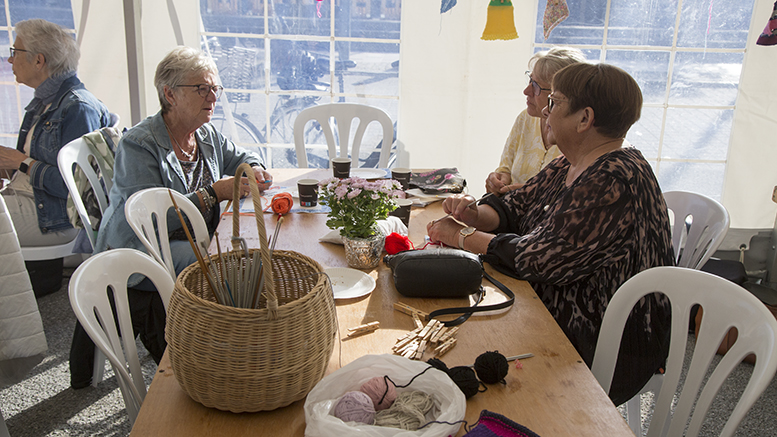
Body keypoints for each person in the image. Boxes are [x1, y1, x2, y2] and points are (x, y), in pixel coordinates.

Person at [428, 63, 674, 405]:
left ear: (584, 118)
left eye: (555, 102)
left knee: (464, 336)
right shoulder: (573, 161)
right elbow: (516, 205)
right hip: (560, 311)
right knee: (456, 315)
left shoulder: (614, 179)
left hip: (608, 339)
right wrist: (474, 213)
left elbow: (540, 260)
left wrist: (461, 236)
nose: (544, 109)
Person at [75, 46, 272, 388]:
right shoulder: (139, 144)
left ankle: (236, 347)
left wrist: (253, 167)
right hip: (141, 246)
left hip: (185, 238)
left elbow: (242, 155)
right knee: (227, 272)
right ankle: (218, 356)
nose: (212, 96)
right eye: (202, 89)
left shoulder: (205, 134)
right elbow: (150, 221)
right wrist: (214, 192)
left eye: (215, 89)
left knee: (242, 261)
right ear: (169, 93)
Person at [0, 19, 110, 251]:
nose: (10, 59)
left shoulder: (78, 108)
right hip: (34, 203)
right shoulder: (45, 103)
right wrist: (9, 166)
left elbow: (76, 191)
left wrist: (21, 163)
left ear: (38, 60)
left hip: (54, 218)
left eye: (15, 52)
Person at [485, 47, 586, 195]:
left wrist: (529, 194)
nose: (526, 91)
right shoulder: (525, 118)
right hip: (507, 211)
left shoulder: (580, 136)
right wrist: (499, 179)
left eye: (536, 86)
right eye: (530, 80)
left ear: (561, 95)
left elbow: (571, 197)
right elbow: (505, 169)